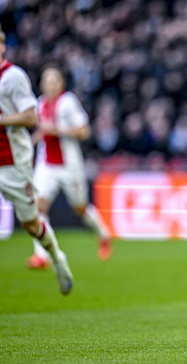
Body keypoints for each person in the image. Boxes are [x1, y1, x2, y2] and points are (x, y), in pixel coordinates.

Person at [0, 27, 72, 294]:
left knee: (31, 223)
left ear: (2, 45)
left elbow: (31, 118)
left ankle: (56, 258)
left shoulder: (12, 77)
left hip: (12, 164)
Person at [26, 66, 113, 270]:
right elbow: (43, 131)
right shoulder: (39, 103)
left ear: (62, 83)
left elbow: (84, 131)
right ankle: (41, 256)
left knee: (80, 208)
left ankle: (103, 234)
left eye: (54, 81)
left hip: (69, 166)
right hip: (46, 164)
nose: (50, 85)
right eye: (47, 81)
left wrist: (57, 130)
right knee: (38, 207)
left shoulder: (69, 102)